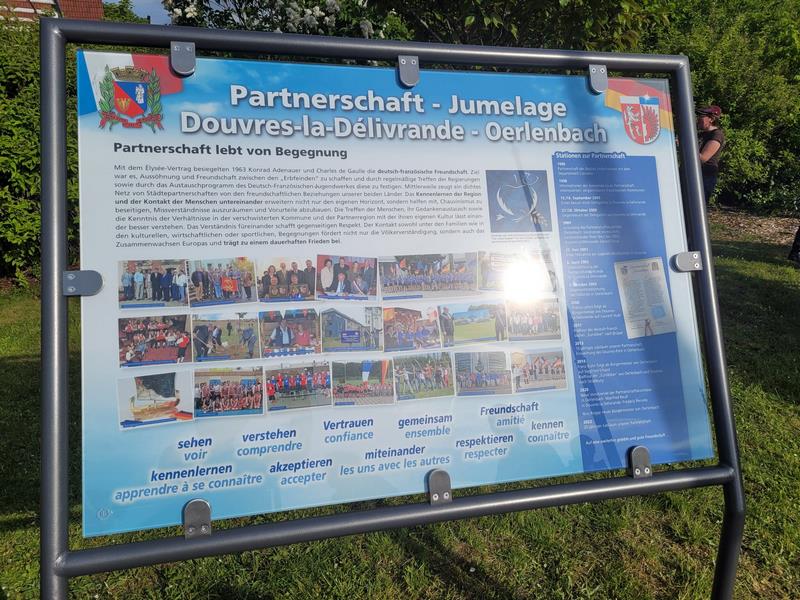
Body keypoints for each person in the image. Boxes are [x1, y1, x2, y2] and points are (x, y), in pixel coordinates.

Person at [696, 105, 725, 203]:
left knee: (696, 206)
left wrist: (684, 145)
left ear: (711, 119)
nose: (698, 119)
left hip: (704, 177)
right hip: (693, 174)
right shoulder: (700, 134)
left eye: (701, 116)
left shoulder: (717, 134)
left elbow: (702, 158)